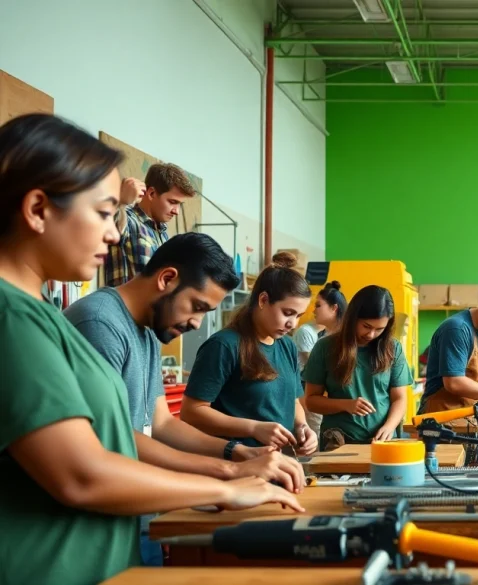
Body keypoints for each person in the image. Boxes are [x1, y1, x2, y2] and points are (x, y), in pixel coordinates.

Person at [0, 114, 301, 585]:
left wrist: (232, 462)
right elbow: (83, 472)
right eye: (102, 212)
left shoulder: (33, 311)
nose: (115, 233)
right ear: (38, 209)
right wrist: (225, 482)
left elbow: (150, 427)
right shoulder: (15, 317)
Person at [65, 232, 306, 566]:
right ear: (167, 278)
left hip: (136, 513)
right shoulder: (99, 324)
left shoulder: (145, 331)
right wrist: (228, 473)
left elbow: (161, 424)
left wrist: (238, 452)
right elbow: (109, 438)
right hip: (90, 530)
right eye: (197, 307)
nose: (197, 323)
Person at [182, 253, 318, 455]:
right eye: (287, 313)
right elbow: (192, 412)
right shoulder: (224, 346)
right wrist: (253, 428)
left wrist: (302, 426)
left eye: (298, 316)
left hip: (277, 467)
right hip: (233, 466)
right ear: (263, 300)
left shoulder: (287, 346)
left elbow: (294, 401)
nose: (293, 324)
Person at [303, 286, 412, 445]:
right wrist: (346, 405)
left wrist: (389, 427)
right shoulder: (325, 347)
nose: (371, 334)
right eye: (366, 326)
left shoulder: (393, 348)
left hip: (383, 442)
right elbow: (311, 401)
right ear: (353, 318)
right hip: (338, 443)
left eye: (379, 329)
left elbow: (400, 398)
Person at [103, 162, 196, 287]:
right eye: (172, 202)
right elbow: (105, 226)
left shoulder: (163, 235)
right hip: (122, 306)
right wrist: (121, 201)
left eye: (180, 204)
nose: (176, 211)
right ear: (151, 193)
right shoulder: (128, 220)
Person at [294, 280, 348, 439]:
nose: (314, 310)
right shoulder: (324, 338)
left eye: (318, 305)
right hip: (319, 400)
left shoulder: (344, 340)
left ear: (334, 308)